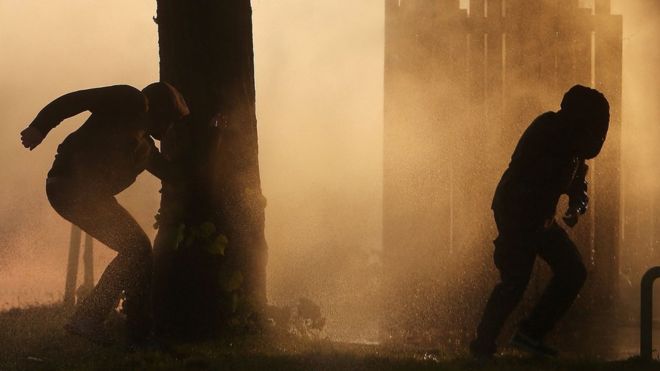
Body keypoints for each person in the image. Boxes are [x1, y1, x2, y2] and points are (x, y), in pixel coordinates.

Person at [20, 82, 189, 344]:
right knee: (137, 249)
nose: (169, 130)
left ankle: (135, 324)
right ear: (160, 110)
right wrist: (39, 127)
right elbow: (74, 100)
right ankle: (90, 318)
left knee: (137, 251)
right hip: (70, 186)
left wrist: (217, 133)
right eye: (169, 120)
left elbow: (176, 175)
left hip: (84, 195)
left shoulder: (145, 149)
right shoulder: (129, 100)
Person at [470, 85, 610, 358]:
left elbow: (579, 188)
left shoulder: (574, 151)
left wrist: (575, 207)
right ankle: (483, 344)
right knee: (516, 279)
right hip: (516, 212)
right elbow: (539, 173)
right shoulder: (548, 129)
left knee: (572, 271)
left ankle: (529, 334)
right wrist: (566, 192)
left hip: (538, 219)